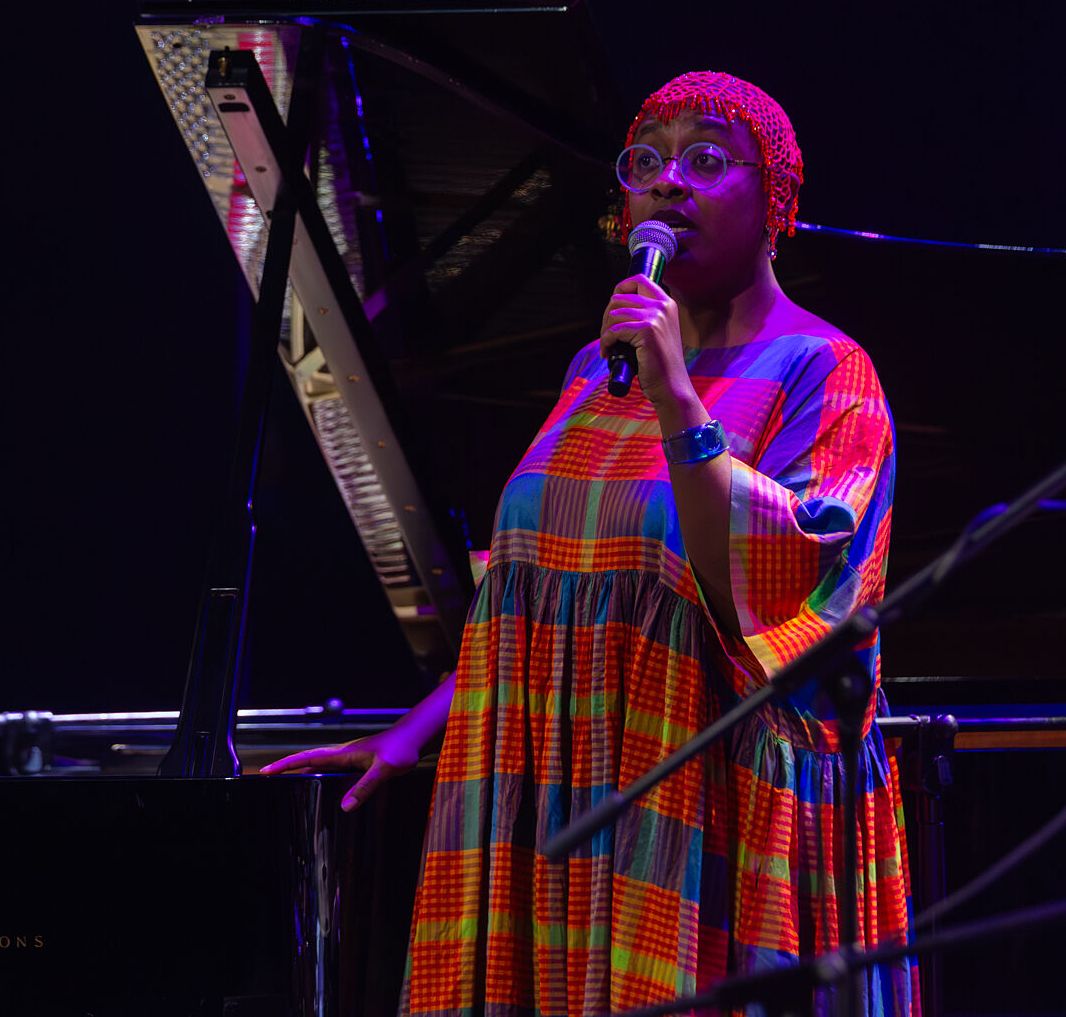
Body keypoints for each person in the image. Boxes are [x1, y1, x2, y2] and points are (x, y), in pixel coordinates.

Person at [263, 72, 915, 1015]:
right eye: (645, 163)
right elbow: (548, 595)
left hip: (705, 805)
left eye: (704, 161)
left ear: (774, 201)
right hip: (558, 789)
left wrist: (678, 400)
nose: (668, 183)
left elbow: (775, 594)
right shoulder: (591, 369)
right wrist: (412, 733)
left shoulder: (825, 372)